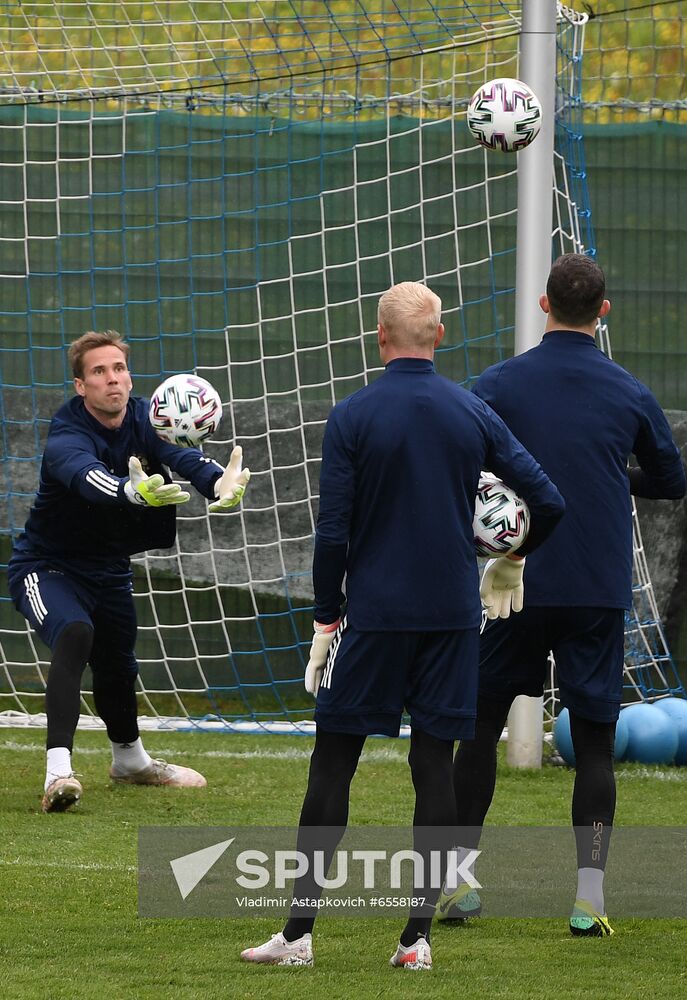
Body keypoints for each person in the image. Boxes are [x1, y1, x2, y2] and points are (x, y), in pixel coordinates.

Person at [240, 280, 565, 970]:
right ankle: (415, 942)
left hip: (375, 616)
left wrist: (325, 616)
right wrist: (512, 560)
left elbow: (332, 531)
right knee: (433, 767)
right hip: (451, 619)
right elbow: (548, 499)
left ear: (379, 337)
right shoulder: (471, 411)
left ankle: (297, 937)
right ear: (439, 335)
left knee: (333, 763)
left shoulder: (353, 414)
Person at [440, 254, 687, 936]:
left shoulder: (499, 382)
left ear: (544, 304)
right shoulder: (629, 391)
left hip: (512, 581)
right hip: (594, 588)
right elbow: (672, 481)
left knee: (479, 730)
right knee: (597, 744)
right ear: (602, 311)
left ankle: (457, 884)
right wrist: (609, 473)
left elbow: (461, 461)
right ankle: (588, 899)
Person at [7, 330, 250, 813]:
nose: (112, 379)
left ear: (130, 377)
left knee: (118, 663)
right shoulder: (67, 432)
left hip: (109, 568)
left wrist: (215, 482)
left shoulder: (145, 417)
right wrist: (128, 491)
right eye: (99, 372)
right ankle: (58, 773)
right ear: (81, 386)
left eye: (118, 368)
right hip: (47, 567)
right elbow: (83, 474)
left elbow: (180, 453)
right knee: (75, 633)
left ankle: (130, 762)